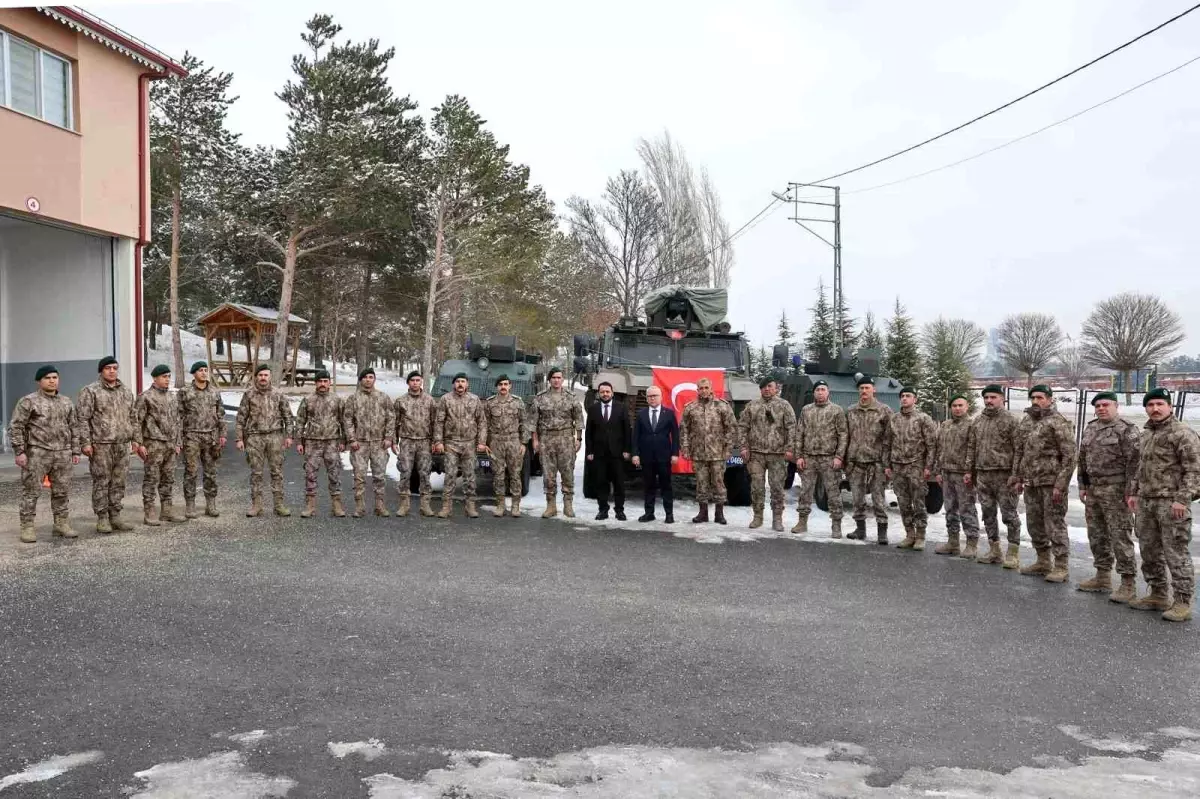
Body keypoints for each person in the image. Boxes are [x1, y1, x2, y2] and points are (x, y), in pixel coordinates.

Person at [1127, 388, 1200, 621]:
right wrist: (1135, 492)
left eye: (1160, 404)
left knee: (1176, 552)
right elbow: (1141, 467)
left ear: (1170, 406)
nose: (1155, 409)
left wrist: (1182, 499)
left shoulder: (1182, 433)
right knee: (1149, 550)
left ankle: (1182, 601)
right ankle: (1158, 594)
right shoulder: (1147, 433)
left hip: (1171, 503)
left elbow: (1194, 470)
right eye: (1151, 405)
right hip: (1147, 502)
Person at [1076, 391, 1140, 600]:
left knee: (1120, 536)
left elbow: (1135, 463)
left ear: (1116, 406)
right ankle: (1102, 576)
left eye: (1105, 405)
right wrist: (1083, 485)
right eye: (1098, 406)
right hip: (1094, 490)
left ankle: (1128, 583)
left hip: (1116, 490)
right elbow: (1082, 459)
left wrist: (1132, 492)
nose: (1101, 408)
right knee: (1096, 534)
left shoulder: (1126, 429)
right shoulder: (1091, 428)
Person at [9, 365, 80, 542]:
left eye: (55, 377)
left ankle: (61, 523)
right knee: (31, 492)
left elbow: (74, 427)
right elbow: (16, 426)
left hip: (62, 454)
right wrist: (20, 451)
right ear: (39, 381)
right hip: (37, 453)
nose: (52, 381)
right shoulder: (28, 401)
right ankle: (27, 527)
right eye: (47, 378)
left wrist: (75, 450)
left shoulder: (66, 402)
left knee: (61, 491)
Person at [1015, 385, 1077, 583]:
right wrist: (1017, 477)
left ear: (1050, 399)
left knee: (1054, 524)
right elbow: (1020, 451)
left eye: (1040, 397)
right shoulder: (1027, 422)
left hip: (1051, 483)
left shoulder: (1058, 422)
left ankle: (1061, 566)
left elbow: (1070, 455)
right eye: (1033, 397)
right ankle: (1043, 561)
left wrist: (1061, 484)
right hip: (1031, 482)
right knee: (1034, 523)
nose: (1036, 401)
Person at [76, 355, 135, 534]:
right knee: (102, 481)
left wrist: (136, 439)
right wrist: (85, 442)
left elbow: (133, 417)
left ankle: (115, 515)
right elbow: (82, 419)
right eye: (108, 368)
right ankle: (102, 517)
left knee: (119, 481)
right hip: (101, 445)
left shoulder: (125, 391)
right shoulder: (90, 391)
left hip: (122, 444)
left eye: (114, 368)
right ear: (101, 370)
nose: (112, 371)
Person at [966, 384, 1022, 567]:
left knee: (1009, 515)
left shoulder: (1012, 420)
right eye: (986, 397)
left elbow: (1019, 450)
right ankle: (994, 549)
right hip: (983, 475)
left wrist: (1016, 475)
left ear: (1002, 399)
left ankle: (1013, 553)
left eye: (993, 397)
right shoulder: (978, 421)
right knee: (988, 513)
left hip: (1004, 475)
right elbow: (971, 448)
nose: (989, 401)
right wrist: (969, 471)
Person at [235, 364, 294, 517]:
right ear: (256, 377)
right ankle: (256, 505)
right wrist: (239, 438)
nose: (263, 378)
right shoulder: (249, 395)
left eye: (266, 375)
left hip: (275, 436)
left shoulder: (278, 394)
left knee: (277, 472)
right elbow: (241, 417)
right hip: (255, 437)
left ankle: (279, 505)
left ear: (270, 377)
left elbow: (288, 416)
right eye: (260, 375)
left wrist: (289, 436)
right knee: (256, 473)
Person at [737, 377, 796, 531]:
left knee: (777, 487)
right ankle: (758, 517)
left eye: (770, 386)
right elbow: (742, 427)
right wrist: (743, 447)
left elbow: (792, 428)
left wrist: (790, 449)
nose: (767, 389)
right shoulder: (752, 406)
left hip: (777, 454)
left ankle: (777, 519)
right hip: (756, 454)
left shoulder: (784, 405)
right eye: (764, 387)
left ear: (776, 388)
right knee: (757, 487)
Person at [792, 379, 848, 537]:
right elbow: (799, 433)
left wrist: (839, 457)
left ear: (828, 392)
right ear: (814, 392)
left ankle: (836, 525)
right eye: (818, 390)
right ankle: (802, 522)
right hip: (809, 458)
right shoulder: (806, 410)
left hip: (829, 458)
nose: (820, 392)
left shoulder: (836, 410)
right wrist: (799, 456)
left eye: (823, 389)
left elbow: (843, 435)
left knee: (833, 493)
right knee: (805, 491)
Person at [885, 386, 938, 551]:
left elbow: (932, 445)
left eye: (908, 396)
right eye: (902, 396)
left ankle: (921, 535)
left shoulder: (923, 418)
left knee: (919, 501)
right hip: (898, 466)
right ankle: (909, 534)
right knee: (903, 502)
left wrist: (929, 466)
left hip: (916, 465)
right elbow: (887, 444)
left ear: (915, 399)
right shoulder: (893, 419)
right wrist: (887, 465)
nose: (904, 398)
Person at [133, 364, 186, 526]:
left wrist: (178, 442)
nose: (167, 379)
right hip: (154, 444)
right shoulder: (145, 397)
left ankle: (167, 510)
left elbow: (178, 421)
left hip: (170, 444)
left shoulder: (172, 397)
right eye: (164, 377)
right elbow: (136, 421)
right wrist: (139, 443)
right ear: (155, 378)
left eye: (169, 376)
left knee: (168, 478)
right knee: (152, 478)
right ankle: (149, 511)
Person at [680, 377, 736, 525]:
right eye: (701, 388)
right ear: (697, 390)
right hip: (698, 453)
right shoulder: (690, 407)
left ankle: (719, 513)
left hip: (718, 453)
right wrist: (685, 448)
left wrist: (728, 448)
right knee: (701, 483)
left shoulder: (722, 406)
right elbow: (684, 429)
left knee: (718, 483)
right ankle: (703, 513)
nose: (704, 390)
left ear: (711, 389)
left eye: (706, 388)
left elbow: (731, 428)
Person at [530, 367, 584, 518]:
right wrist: (535, 440)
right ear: (549, 379)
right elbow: (533, 422)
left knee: (567, 473)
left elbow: (579, 419)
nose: (556, 380)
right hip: (546, 440)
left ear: (562, 379)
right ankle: (551, 506)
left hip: (566, 439)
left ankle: (568, 505)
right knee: (548, 474)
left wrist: (579, 439)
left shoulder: (571, 397)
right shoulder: (540, 398)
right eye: (554, 377)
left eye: (559, 377)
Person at [933, 394, 982, 559]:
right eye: (954, 406)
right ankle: (953, 542)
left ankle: (971, 544)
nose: (958, 408)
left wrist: (970, 471)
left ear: (967, 407)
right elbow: (939, 448)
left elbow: (973, 450)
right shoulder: (945, 425)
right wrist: (937, 471)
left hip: (963, 474)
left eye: (961, 405)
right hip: (946, 473)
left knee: (967, 509)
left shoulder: (972, 425)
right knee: (950, 509)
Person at [343, 366, 395, 517]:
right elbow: (347, 420)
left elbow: (391, 418)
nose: (368, 380)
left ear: (374, 379)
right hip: (360, 444)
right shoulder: (353, 399)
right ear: (360, 380)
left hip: (379, 443)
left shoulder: (383, 397)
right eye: (365, 377)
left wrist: (388, 438)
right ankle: (360, 507)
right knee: (359, 476)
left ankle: (380, 506)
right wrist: (351, 439)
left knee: (379, 476)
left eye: (371, 377)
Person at [845, 375, 892, 543]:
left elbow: (889, 439)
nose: (864, 391)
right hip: (856, 462)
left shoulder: (884, 411)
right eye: (862, 388)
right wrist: (846, 460)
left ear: (874, 390)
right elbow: (846, 436)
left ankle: (882, 532)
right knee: (857, 499)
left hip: (876, 462)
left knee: (878, 499)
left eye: (867, 388)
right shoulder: (851, 411)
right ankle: (860, 529)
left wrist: (886, 463)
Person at [433, 373, 487, 518]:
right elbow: (439, 422)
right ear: (453, 384)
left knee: (469, 476)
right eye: (457, 381)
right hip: (451, 444)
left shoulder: (474, 400)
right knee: (450, 475)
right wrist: (438, 441)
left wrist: (482, 442)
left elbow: (482, 422)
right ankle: (446, 507)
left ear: (467, 384)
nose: (460, 384)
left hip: (469, 444)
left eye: (463, 381)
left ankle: (470, 507)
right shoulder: (446, 399)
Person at [177, 360, 226, 519]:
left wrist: (223, 435)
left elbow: (221, 415)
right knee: (191, 472)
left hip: (211, 437)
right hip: (191, 436)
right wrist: (179, 439)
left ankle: (210, 503)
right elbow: (178, 416)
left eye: (206, 370)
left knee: (211, 472)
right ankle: (190, 504)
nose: (204, 373)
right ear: (194, 373)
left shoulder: (214, 392)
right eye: (200, 370)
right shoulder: (185, 392)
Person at [295, 369, 346, 519]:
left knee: (334, 473)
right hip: (312, 442)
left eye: (325, 381)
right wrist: (299, 441)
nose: (322, 384)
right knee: (310, 474)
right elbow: (300, 421)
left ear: (329, 383)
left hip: (332, 442)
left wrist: (343, 441)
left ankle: (337, 506)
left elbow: (344, 421)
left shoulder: (337, 400)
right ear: (316, 383)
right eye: (320, 381)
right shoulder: (308, 400)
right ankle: (310, 506)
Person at [632, 385, 679, 523]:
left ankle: (669, 514)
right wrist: (635, 454)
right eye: (649, 396)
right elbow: (635, 436)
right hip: (646, 457)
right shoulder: (641, 414)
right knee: (648, 485)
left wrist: (675, 453)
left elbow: (675, 435)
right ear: (646, 398)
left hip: (664, 456)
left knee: (666, 486)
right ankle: (649, 513)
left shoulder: (669, 413)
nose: (652, 398)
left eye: (655, 396)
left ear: (660, 397)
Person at [393, 371, 437, 517]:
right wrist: (394, 441)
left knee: (425, 474)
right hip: (407, 441)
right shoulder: (401, 401)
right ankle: (404, 505)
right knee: (405, 473)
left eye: (418, 380)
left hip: (424, 442)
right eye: (412, 380)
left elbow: (435, 422)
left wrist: (435, 441)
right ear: (408, 383)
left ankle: (425, 505)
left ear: (422, 382)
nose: (415, 383)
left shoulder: (430, 401)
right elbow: (394, 423)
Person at [586, 381, 631, 521]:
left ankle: (619, 511)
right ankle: (603, 510)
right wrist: (590, 451)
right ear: (598, 394)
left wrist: (627, 449)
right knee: (601, 483)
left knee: (619, 484)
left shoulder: (621, 408)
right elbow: (589, 432)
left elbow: (627, 430)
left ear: (612, 393)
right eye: (602, 392)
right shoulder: (593, 409)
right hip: (599, 454)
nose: (605, 394)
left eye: (607, 392)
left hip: (617, 453)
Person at [484, 374, 528, 517]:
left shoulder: (518, 402)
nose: (503, 387)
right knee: (498, 475)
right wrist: (485, 443)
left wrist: (523, 443)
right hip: (496, 443)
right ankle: (500, 505)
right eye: (500, 384)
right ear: (497, 387)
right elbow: (485, 425)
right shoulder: (490, 403)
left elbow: (524, 423)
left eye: (505, 384)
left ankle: (515, 506)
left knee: (515, 474)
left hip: (514, 442)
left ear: (510, 386)